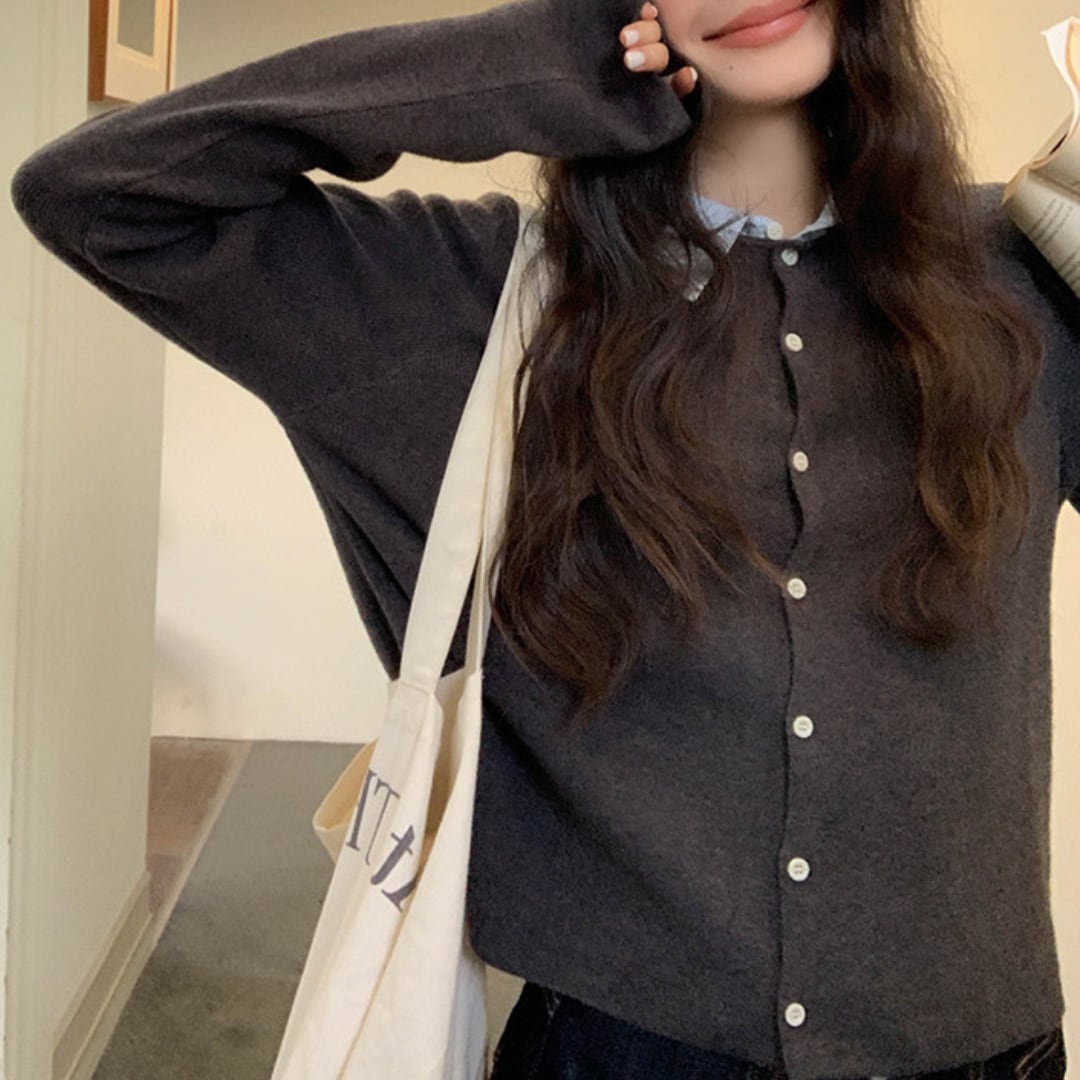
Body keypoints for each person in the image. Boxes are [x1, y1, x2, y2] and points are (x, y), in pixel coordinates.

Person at [9, 0, 1078, 1076]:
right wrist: (543, 65)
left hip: (984, 1045)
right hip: (617, 1052)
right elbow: (100, 195)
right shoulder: (477, 304)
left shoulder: (1019, 280)